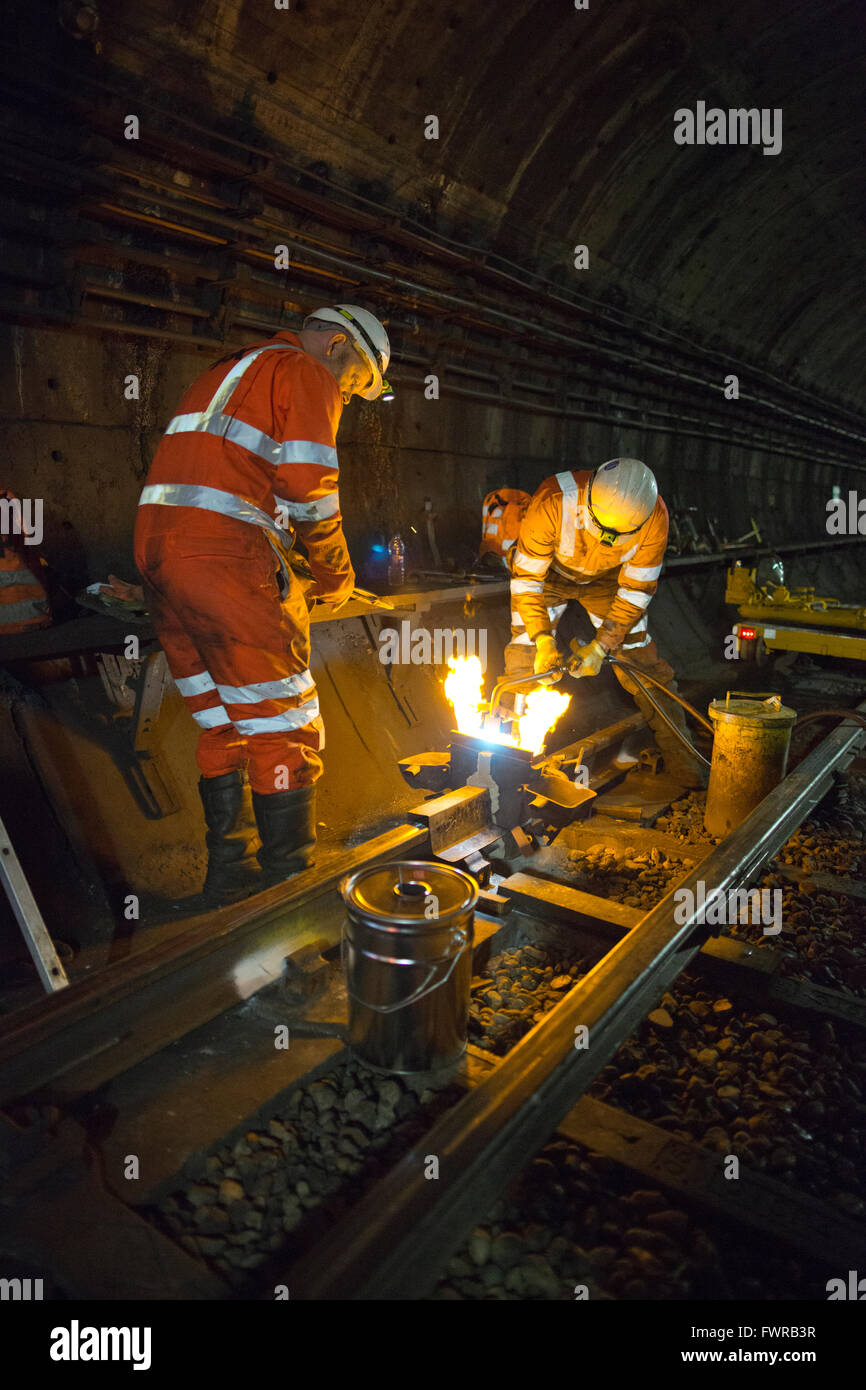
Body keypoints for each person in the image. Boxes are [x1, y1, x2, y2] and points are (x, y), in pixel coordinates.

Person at [134, 304, 391, 903]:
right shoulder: (306, 373)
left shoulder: (231, 368)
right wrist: (334, 573)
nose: (346, 398)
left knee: (224, 719)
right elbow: (309, 487)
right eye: (354, 383)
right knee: (284, 721)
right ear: (335, 347)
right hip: (220, 554)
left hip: (156, 553)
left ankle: (229, 879)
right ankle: (288, 894)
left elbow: (230, 475)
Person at [506, 458, 705, 786]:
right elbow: (527, 581)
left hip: (609, 581)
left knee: (642, 662)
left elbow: (637, 591)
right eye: (603, 530)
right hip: (550, 574)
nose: (608, 540)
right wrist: (542, 640)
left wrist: (601, 647)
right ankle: (507, 761)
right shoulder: (553, 503)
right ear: (588, 505)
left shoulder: (654, 519)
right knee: (525, 654)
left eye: (619, 535)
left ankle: (685, 761)